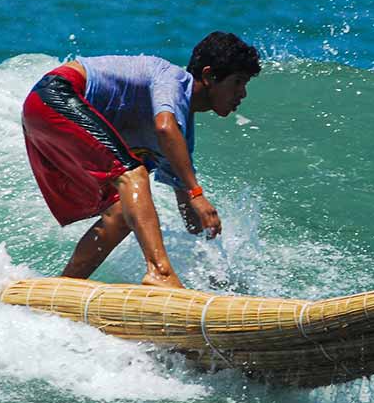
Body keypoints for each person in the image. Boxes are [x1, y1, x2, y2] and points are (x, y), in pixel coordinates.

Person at [21, 32, 260, 289]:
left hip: (45, 112)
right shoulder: (172, 78)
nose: (243, 93)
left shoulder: (181, 137)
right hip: (55, 94)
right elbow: (165, 128)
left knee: (123, 213)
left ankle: (63, 288)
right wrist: (197, 192)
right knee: (134, 174)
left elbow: (190, 211)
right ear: (209, 75)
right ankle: (160, 273)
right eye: (237, 82)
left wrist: (215, 265)